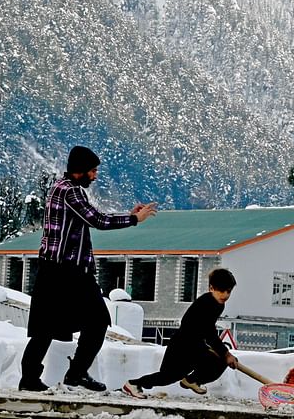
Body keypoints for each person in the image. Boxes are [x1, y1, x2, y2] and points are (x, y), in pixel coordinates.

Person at [18, 145, 158, 392]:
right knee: (97, 321)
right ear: (79, 171)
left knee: (45, 329)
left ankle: (30, 379)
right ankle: (76, 374)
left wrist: (127, 215)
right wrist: (134, 219)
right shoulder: (71, 192)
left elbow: (90, 217)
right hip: (69, 271)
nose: (95, 176)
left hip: (54, 269)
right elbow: (98, 220)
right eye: (92, 171)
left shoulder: (58, 188)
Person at [123, 268, 238, 399]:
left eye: (228, 291)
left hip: (194, 345)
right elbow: (208, 331)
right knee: (168, 376)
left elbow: (207, 331)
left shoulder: (218, 304)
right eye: (221, 291)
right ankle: (134, 384)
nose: (225, 295)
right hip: (181, 345)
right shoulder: (206, 303)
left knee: (219, 361)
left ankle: (192, 380)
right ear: (211, 288)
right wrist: (225, 353)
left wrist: (223, 353)